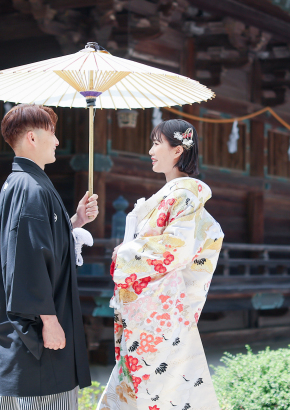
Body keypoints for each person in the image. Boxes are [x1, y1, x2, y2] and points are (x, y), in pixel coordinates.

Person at [97, 120, 224, 410]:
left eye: (157, 143)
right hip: (148, 303)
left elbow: (176, 249)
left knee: (155, 385)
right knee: (146, 383)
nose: (150, 150)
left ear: (177, 150)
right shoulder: (169, 194)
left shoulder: (183, 195)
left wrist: (126, 252)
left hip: (160, 307)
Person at [0, 104, 99, 409]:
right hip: (35, 338)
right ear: (33, 138)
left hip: (29, 336)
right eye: (52, 132)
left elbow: (42, 244)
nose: (58, 141)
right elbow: (28, 259)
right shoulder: (29, 187)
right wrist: (49, 321)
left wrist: (74, 222)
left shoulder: (23, 183)